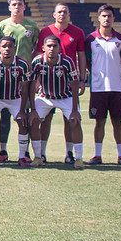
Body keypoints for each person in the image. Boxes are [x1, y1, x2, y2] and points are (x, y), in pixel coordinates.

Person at [37, 3, 87, 163]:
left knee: (70, 119)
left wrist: (82, 79)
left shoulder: (77, 32)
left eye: (65, 12)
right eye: (59, 12)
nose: (62, 14)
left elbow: (82, 56)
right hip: (47, 85)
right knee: (45, 120)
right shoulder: (46, 31)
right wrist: (38, 81)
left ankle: (69, 154)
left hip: (67, 85)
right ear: (54, 14)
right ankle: (41, 153)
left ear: (69, 14)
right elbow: (39, 56)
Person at [0, 0, 39, 162]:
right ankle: (3, 151)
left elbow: (35, 50)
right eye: (14, 4)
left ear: (24, 7)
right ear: (9, 7)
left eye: (20, 4)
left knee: (24, 116)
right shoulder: (1, 26)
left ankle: (24, 152)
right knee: (5, 115)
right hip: (5, 77)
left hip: (24, 76)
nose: (17, 7)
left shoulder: (32, 26)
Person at [28, 35, 83, 169]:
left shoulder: (67, 61)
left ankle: (79, 158)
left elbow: (74, 85)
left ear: (59, 48)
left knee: (74, 121)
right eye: (49, 46)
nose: (51, 49)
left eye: (54, 46)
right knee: (34, 121)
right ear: (43, 48)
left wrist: (75, 110)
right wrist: (33, 109)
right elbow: (31, 84)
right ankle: (38, 156)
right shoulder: (37, 61)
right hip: (45, 97)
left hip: (66, 96)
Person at [84, 4, 121, 165]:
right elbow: (88, 62)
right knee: (99, 121)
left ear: (113, 18)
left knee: (118, 121)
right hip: (98, 88)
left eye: (109, 16)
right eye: (104, 16)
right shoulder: (90, 39)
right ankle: (97, 155)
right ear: (99, 18)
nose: (107, 19)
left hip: (117, 87)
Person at [0, 36, 31, 167]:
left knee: (23, 122)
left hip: (15, 99)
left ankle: (22, 157)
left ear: (15, 48)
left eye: (10, 46)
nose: (7, 49)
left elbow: (25, 88)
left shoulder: (22, 64)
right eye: (4, 46)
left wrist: (22, 110)